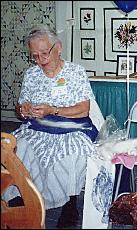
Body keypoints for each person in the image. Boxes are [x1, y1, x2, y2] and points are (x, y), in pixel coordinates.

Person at [2, 24, 98, 228]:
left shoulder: (75, 72)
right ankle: (23, 195)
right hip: (38, 128)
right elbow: (20, 108)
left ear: (58, 47)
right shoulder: (31, 74)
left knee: (73, 153)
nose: (40, 61)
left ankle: (70, 204)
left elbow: (83, 109)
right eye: (35, 56)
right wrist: (23, 110)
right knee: (17, 148)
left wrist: (52, 110)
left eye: (44, 53)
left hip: (71, 128)